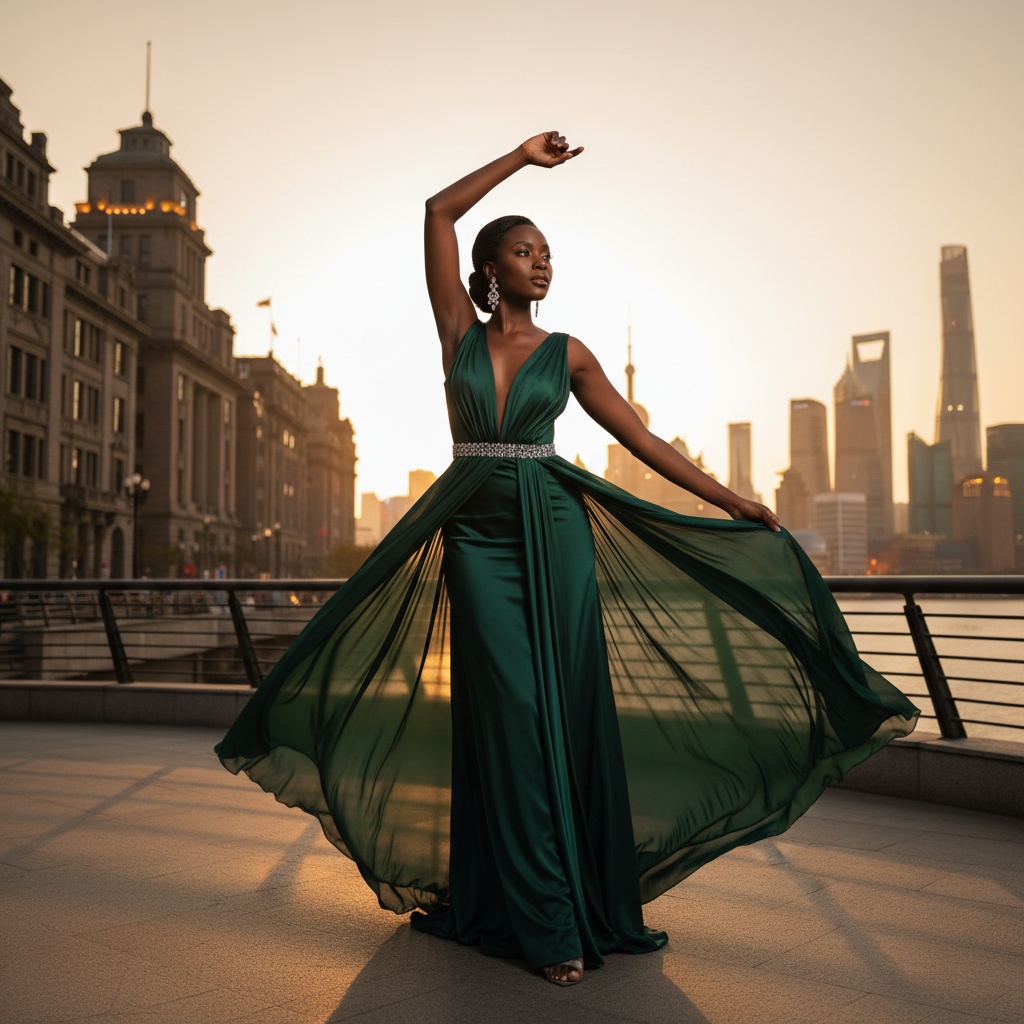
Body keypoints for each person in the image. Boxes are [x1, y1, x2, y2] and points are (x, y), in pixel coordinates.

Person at [216, 131, 918, 988]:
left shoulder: (571, 353)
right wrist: (517, 156)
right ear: (488, 268)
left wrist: (728, 499)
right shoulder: (456, 335)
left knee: (561, 713)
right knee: (507, 717)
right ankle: (540, 917)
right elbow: (436, 210)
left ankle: (563, 907)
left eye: (548, 253)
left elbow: (642, 437)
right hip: (475, 535)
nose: (541, 264)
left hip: (556, 533)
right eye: (523, 251)